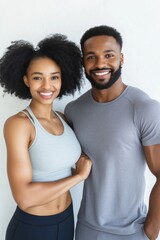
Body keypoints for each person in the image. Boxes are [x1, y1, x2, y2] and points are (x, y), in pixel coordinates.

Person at [64, 25, 160, 240]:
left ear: (121, 59)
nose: (100, 64)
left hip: (132, 232)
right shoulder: (74, 110)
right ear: (83, 63)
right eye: (91, 57)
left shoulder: (143, 107)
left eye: (108, 55)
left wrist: (151, 230)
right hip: (86, 229)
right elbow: (67, 166)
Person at [0, 34, 92, 240]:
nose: (47, 85)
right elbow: (24, 198)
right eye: (37, 77)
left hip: (67, 220)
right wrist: (78, 177)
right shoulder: (19, 125)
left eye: (54, 76)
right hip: (33, 228)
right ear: (25, 79)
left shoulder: (62, 117)